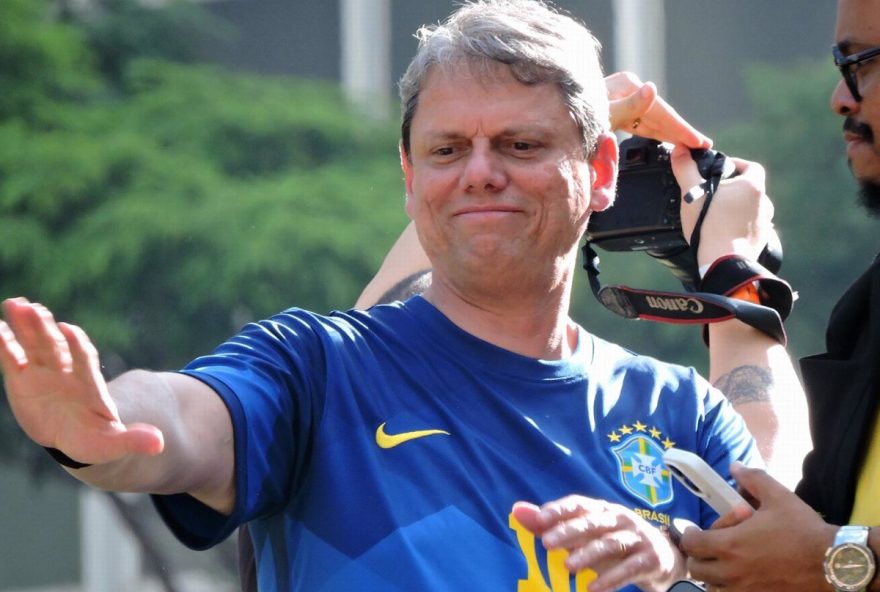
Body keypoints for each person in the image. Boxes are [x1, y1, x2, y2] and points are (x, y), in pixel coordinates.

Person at [0, 2, 803, 591]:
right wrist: (105, 427)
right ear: (410, 177)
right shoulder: (318, 367)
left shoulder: (677, 412)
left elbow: (792, 530)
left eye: (521, 144)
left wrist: (673, 553)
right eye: (447, 149)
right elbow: (183, 419)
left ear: (599, 175)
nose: (480, 170)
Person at [679, 0, 880, 590]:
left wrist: (838, 560)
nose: (840, 100)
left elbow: (816, 554)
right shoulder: (867, 309)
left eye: (862, 64)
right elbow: (799, 528)